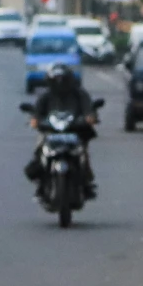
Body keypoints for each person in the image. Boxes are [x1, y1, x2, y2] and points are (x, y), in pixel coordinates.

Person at [24, 61, 97, 198]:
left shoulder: (79, 94)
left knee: (83, 153)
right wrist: (35, 120)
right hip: (51, 131)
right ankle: (40, 182)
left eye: (62, 79)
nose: (59, 83)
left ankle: (86, 182)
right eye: (56, 80)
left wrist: (89, 117)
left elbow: (88, 110)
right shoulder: (45, 96)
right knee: (39, 149)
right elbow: (37, 113)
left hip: (75, 130)